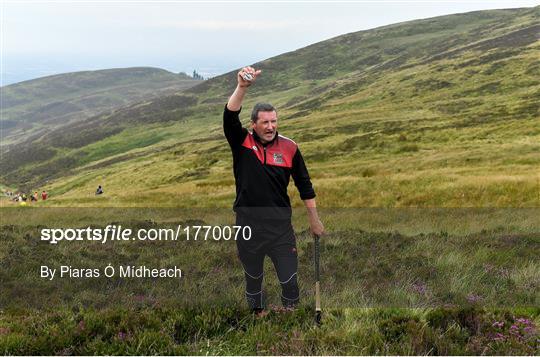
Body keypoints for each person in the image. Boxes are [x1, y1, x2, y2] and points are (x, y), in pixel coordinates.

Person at [223, 66, 324, 314]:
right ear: (254, 124)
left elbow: (305, 186)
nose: (270, 126)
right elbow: (229, 116)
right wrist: (242, 87)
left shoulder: (290, 148)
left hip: (280, 228)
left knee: (289, 280)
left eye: (274, 121)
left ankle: (291, 320)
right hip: (248, 226)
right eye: (265, 122)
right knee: (253, 279)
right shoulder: (241, 142)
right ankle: (257, 317)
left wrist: (315, 220)